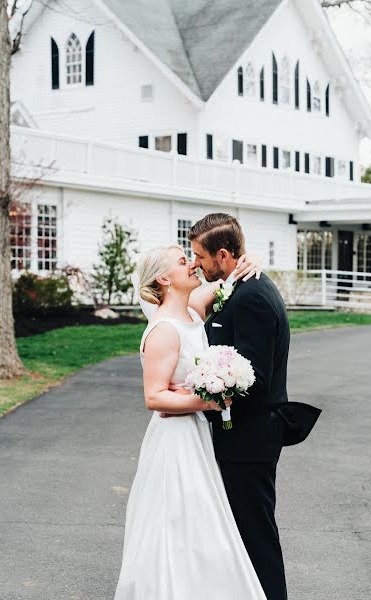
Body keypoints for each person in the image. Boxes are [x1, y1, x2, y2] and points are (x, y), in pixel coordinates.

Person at [114, 245, 266, 600]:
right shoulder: (164, 330)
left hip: (196, 433)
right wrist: (208, 401)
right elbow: (154, 397)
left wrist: (252, 259)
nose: (194, 265)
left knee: (203, 525)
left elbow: (229, 276)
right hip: (174, 441)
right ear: (164, 279)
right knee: (178, 523)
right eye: (184, 262)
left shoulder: (193, 314)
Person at [189, 213, 290, 600]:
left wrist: (205, 394)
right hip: (242, 439)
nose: (196, 263)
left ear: (225, 254)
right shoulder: (239, 287)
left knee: (256, 536)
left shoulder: (253, 298)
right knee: (240, 533)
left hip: (250, 439)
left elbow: (254, 376)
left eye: (200, 255)